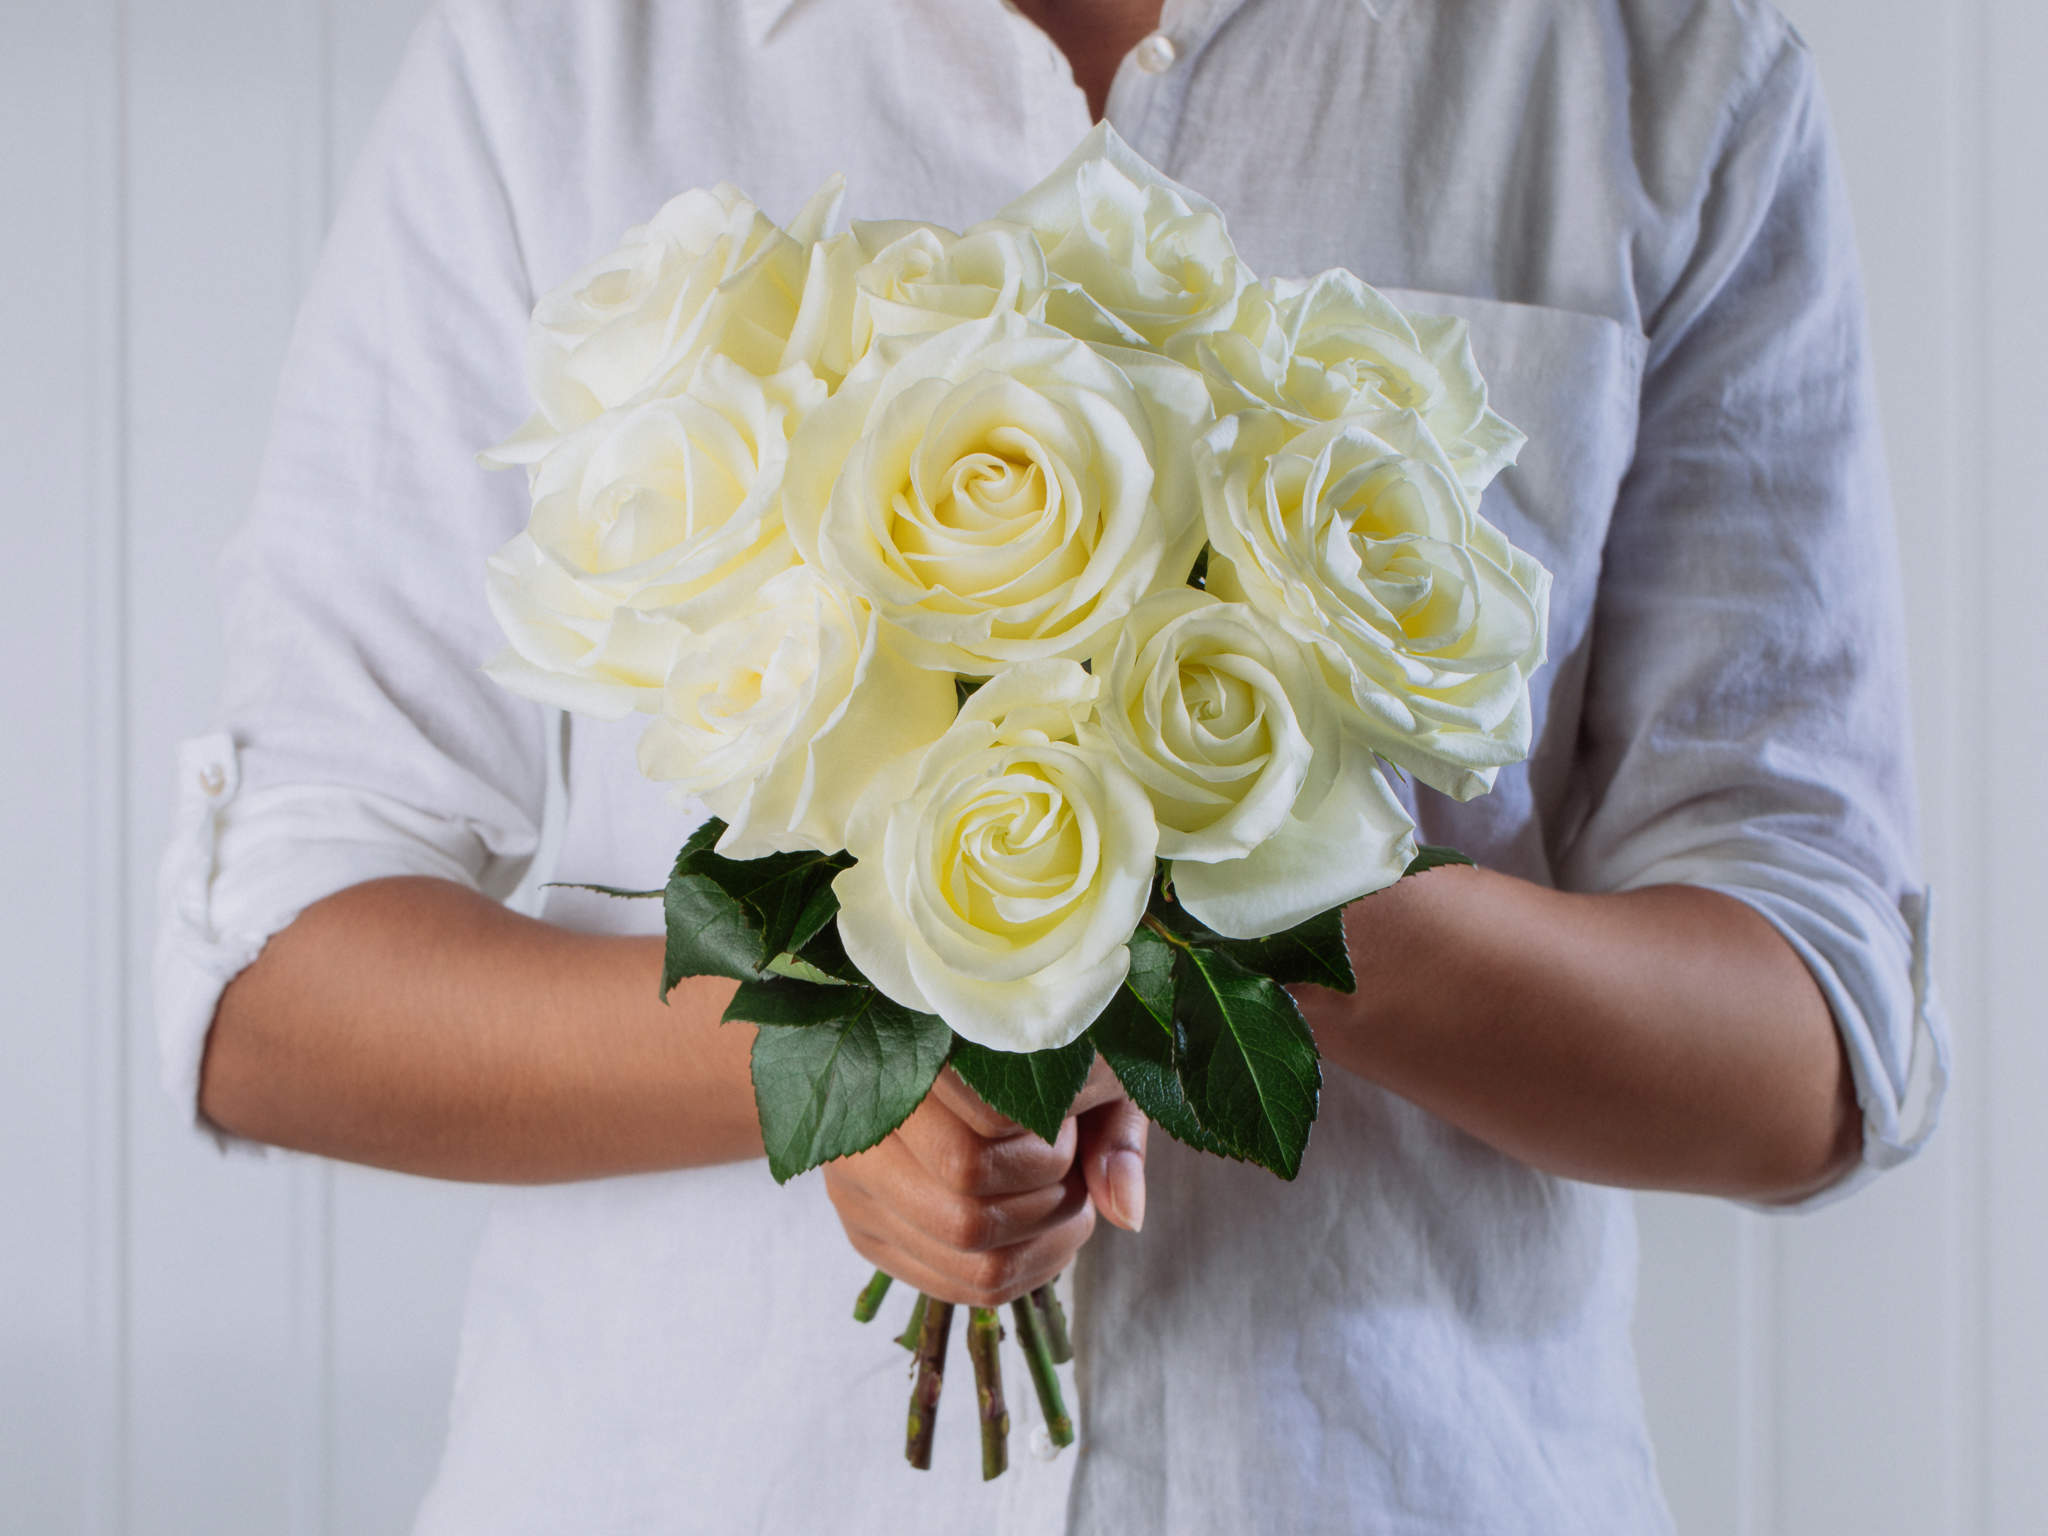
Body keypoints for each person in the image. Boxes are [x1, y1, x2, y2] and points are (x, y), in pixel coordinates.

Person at [152, 0, 1950, 1530]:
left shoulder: (1647, 61)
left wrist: (1241, 902)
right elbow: (278, 975)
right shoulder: (563, 54)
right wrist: (851, 1058)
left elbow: (1808, 1046)